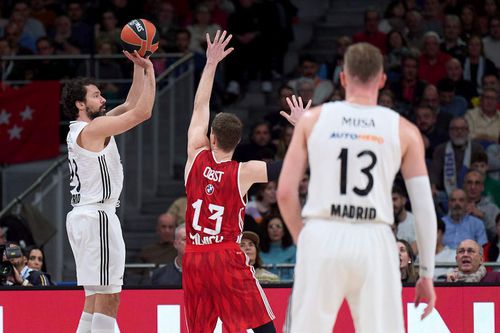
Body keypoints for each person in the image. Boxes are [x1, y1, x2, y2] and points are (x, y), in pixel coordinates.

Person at [277, 42, 437, 333]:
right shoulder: (405, 130)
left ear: (342, 77)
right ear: (382, 80)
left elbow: (285, 193)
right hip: (374, 237)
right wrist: (426, 273)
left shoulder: (312, 120)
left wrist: (305, 238)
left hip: (323, 231)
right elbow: (425, 208)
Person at [182, 30, 298, 333]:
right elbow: (290, 167)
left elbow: (199, 108)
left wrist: (211, 64)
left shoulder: (196, 156)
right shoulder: (244, 171)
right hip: (225, 255)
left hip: (194, 256)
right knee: (261, 326)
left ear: (212, 137)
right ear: (238, 141)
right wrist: (301, 128)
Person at [62, 50, 156, 333]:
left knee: (94, 301)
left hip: (85, 216)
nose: (103, 100)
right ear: (80, 103)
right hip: (97, 216)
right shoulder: (94, 129)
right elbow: (143, 112)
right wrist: (151, 70)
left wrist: (138, 67)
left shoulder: (88, 128)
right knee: (109, 297)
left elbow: (129, 103)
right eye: (96, 96)